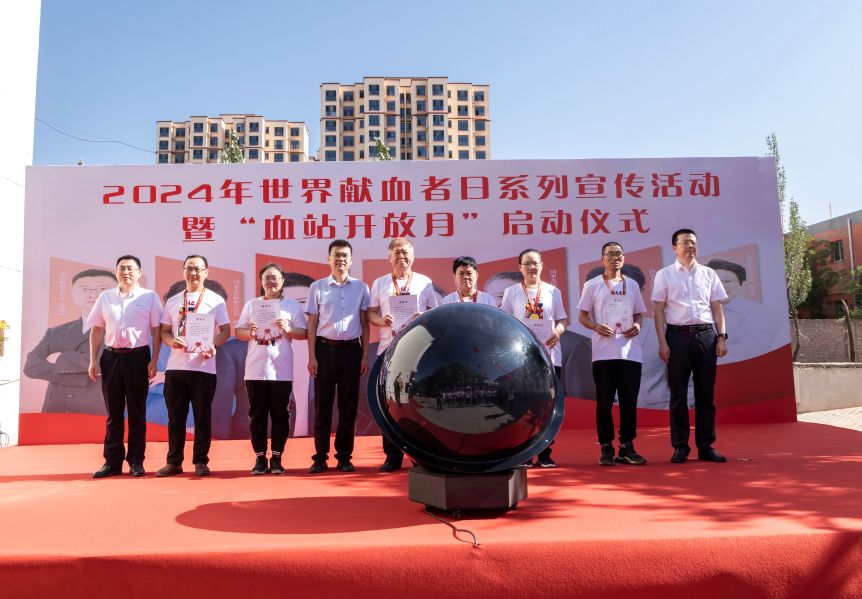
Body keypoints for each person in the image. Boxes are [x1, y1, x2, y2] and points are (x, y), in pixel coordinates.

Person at [652, 229, 729, 464]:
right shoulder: (664, 275)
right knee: (678, 394)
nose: (690, 246)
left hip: (706, 335)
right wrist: (663, 342)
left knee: (706, 394)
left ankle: (706, 446)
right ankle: (680, 447)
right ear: (674, 247)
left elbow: (717, 308)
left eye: (693, 242)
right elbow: (658, 311)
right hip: (677, 337)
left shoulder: (708, 273)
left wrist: (722, 336)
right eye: (685, 242)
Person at [86, 256, 163, 478]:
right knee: (114, 412)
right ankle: (112, 461)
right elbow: (97, 329)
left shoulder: (149, 297)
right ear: (116, 272)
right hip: (111, 358)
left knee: (137, 411)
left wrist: (154, 360)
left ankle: (136, 461)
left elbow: (157, 330)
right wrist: (92, 359)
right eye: (122, 268)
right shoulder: (106, 297)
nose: (126, 272)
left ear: (139, 273)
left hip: (138, 357)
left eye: (130, 268)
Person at [367, 237, 438, 472]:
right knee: (388, 404)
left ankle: (419, 455)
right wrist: (382, 320)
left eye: (405, 252)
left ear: (413, 256)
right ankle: (392, 456)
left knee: (417, 404)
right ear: (389, 257)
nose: (401, 257)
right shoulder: (380, 283)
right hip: (388, 350)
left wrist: (422, 317)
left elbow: (434, 312)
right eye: (396, 253)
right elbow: (370, 314)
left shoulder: (424, 282)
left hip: (417, 352)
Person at [156, 255, 231, 477]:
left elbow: (226, 330)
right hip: (176, 368)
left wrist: (213, 345)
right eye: (189, 268)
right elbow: (164, 331)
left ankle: (200, 461)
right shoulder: (173, 301)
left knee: (202, 417)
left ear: (206, 272)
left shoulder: (216, 301)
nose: (193, 273)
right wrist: (171, 341)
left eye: (198, 269)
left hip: (204, 369)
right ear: (183, 271)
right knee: (175, 418)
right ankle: (173, 462)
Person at [577, 243, 647, 466]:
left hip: (629, 352)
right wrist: (596, 326)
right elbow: (582, 317)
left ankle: (627, 446)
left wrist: (637, 325)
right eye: (611, 254)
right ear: (602, 259)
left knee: (629, 401)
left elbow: (639, 314)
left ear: (623, 259)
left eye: (619, 254)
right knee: (604, 402)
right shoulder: (592, 285)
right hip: (603, 353)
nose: (615, 258)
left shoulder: (632, 285)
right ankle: (606, 446)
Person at [235, 263, 307, 475]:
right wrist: (250, 333)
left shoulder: (291, 306)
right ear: (261, 281)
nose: (271, 281)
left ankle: (276, 458)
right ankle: (260, 459)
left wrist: (288, 329)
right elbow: (239, 331)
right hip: (255, 370)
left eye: (275, 277)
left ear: (282, 281)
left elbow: (303, 333)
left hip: (280, 371)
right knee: (257, 415)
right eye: (267, 277)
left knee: (280, 415)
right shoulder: (252, 305)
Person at [305, 240, 370, 473]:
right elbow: (312, 323)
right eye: (336, 255)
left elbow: (364, 323)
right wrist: (312, 356)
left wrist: (364, 355)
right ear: (329, 259)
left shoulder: (361, 287)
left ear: (351, 260)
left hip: (351, 352)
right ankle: (320, 457)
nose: (340, 259)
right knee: (322, 406)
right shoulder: (317, 287)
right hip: (325, 350)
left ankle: (344, 456)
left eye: (344, 255)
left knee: (348, 406)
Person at [500, 249, 568, 468]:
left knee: (547, 405)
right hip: (523, 358)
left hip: (549, 356)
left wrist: (558, 331)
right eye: (527, 263)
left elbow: (562, 320)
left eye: (535, 263)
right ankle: (525, 452)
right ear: (520, 267)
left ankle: (545, 452)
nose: (531, 267)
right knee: (524, 405)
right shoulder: (511, 292)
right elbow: (505, 322)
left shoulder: (552, 291)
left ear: (542, 265)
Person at [24, 268, 115, 415]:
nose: (92, 294)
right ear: (73, 294)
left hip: (98, 408)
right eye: (84, 289)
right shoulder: (56, 332)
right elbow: (30, 366)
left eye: (101, 289)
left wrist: (61, 358)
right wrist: (78, 375)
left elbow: (106, 363)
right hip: (56, 405)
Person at [706, 258, 784, 362]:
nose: (721, 286)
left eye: (727, 281)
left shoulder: (760, 312)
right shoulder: (700, 311)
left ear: (741, 283)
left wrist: (702, 351)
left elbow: (751, 350)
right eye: (714, 282)